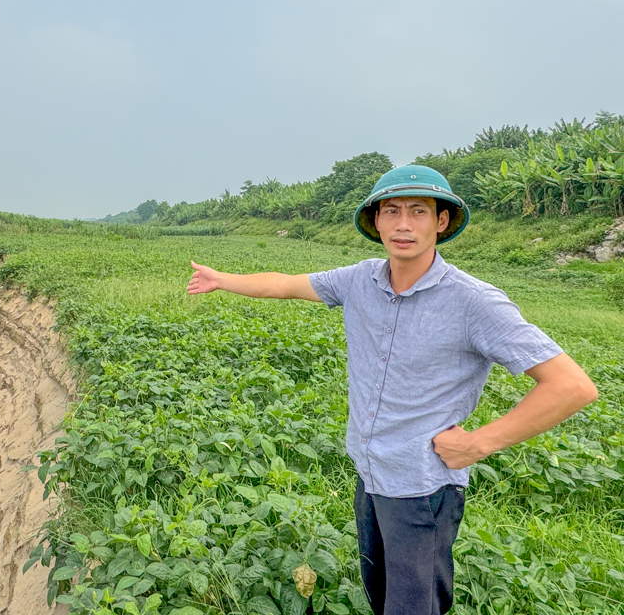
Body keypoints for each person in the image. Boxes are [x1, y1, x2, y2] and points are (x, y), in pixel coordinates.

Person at [186, 165, 598, 615]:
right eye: (392, 211)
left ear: (441, 221)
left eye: (419, 211)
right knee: (381, 596)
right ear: (376, 221)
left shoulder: (474, 302)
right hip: (372, 475)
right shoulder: (360, 280)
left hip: (422, 491)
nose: (404, 224)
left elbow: (571, 385)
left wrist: (479, 443)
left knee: (414, 606)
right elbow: (285, 283)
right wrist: (222, 279)